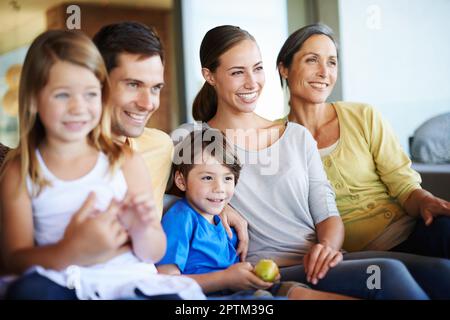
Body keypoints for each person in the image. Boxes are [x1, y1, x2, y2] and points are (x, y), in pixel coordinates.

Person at [174, 24, 447, 300]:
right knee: (387, 276)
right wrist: (223, 207)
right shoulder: (192, 139)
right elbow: (167, 190)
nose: (251, 82)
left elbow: (327, 213)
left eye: (257, 69)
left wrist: (327, 246)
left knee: (440, 273)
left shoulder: (295, 135)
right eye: (236, 72)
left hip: (323, 258)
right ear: (209, 76)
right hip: (270, 270)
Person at [0, 30, 204, 300]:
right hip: (65, 281)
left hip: (125, 281)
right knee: (29, 292)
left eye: (90, 94)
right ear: (35, 99)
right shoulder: (22, 169)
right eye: (63, 95)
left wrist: (141, 229)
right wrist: (74, 249)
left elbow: (154, 249)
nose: (78, 107)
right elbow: (12, 260)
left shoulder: (128, 160)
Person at [276, 23, 450, 259]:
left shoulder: (363, 116)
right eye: (311, 60)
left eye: (331, 62)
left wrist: (425, 202)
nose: (324, 72)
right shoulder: (272, 138)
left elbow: (404, 186)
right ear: (284, 68)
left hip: (411, 231)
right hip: (356, 259)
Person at [92, 21, 250, 260]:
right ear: (97, 81)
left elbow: (194, 181)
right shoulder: (55, 155)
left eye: (156, 88)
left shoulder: (161, 146)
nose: (148, 103)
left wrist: (222, 207)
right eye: (133, 85)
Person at [157, 128, 356, 300]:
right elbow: (166, 282)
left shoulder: (221, 221)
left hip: (245, 293)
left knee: (298, 292)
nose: (220, 188)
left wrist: (254, 277)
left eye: (227, 178)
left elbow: (233, 274)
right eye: (207, 177)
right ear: (181, 181)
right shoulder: (181, 219)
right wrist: (225, 278)